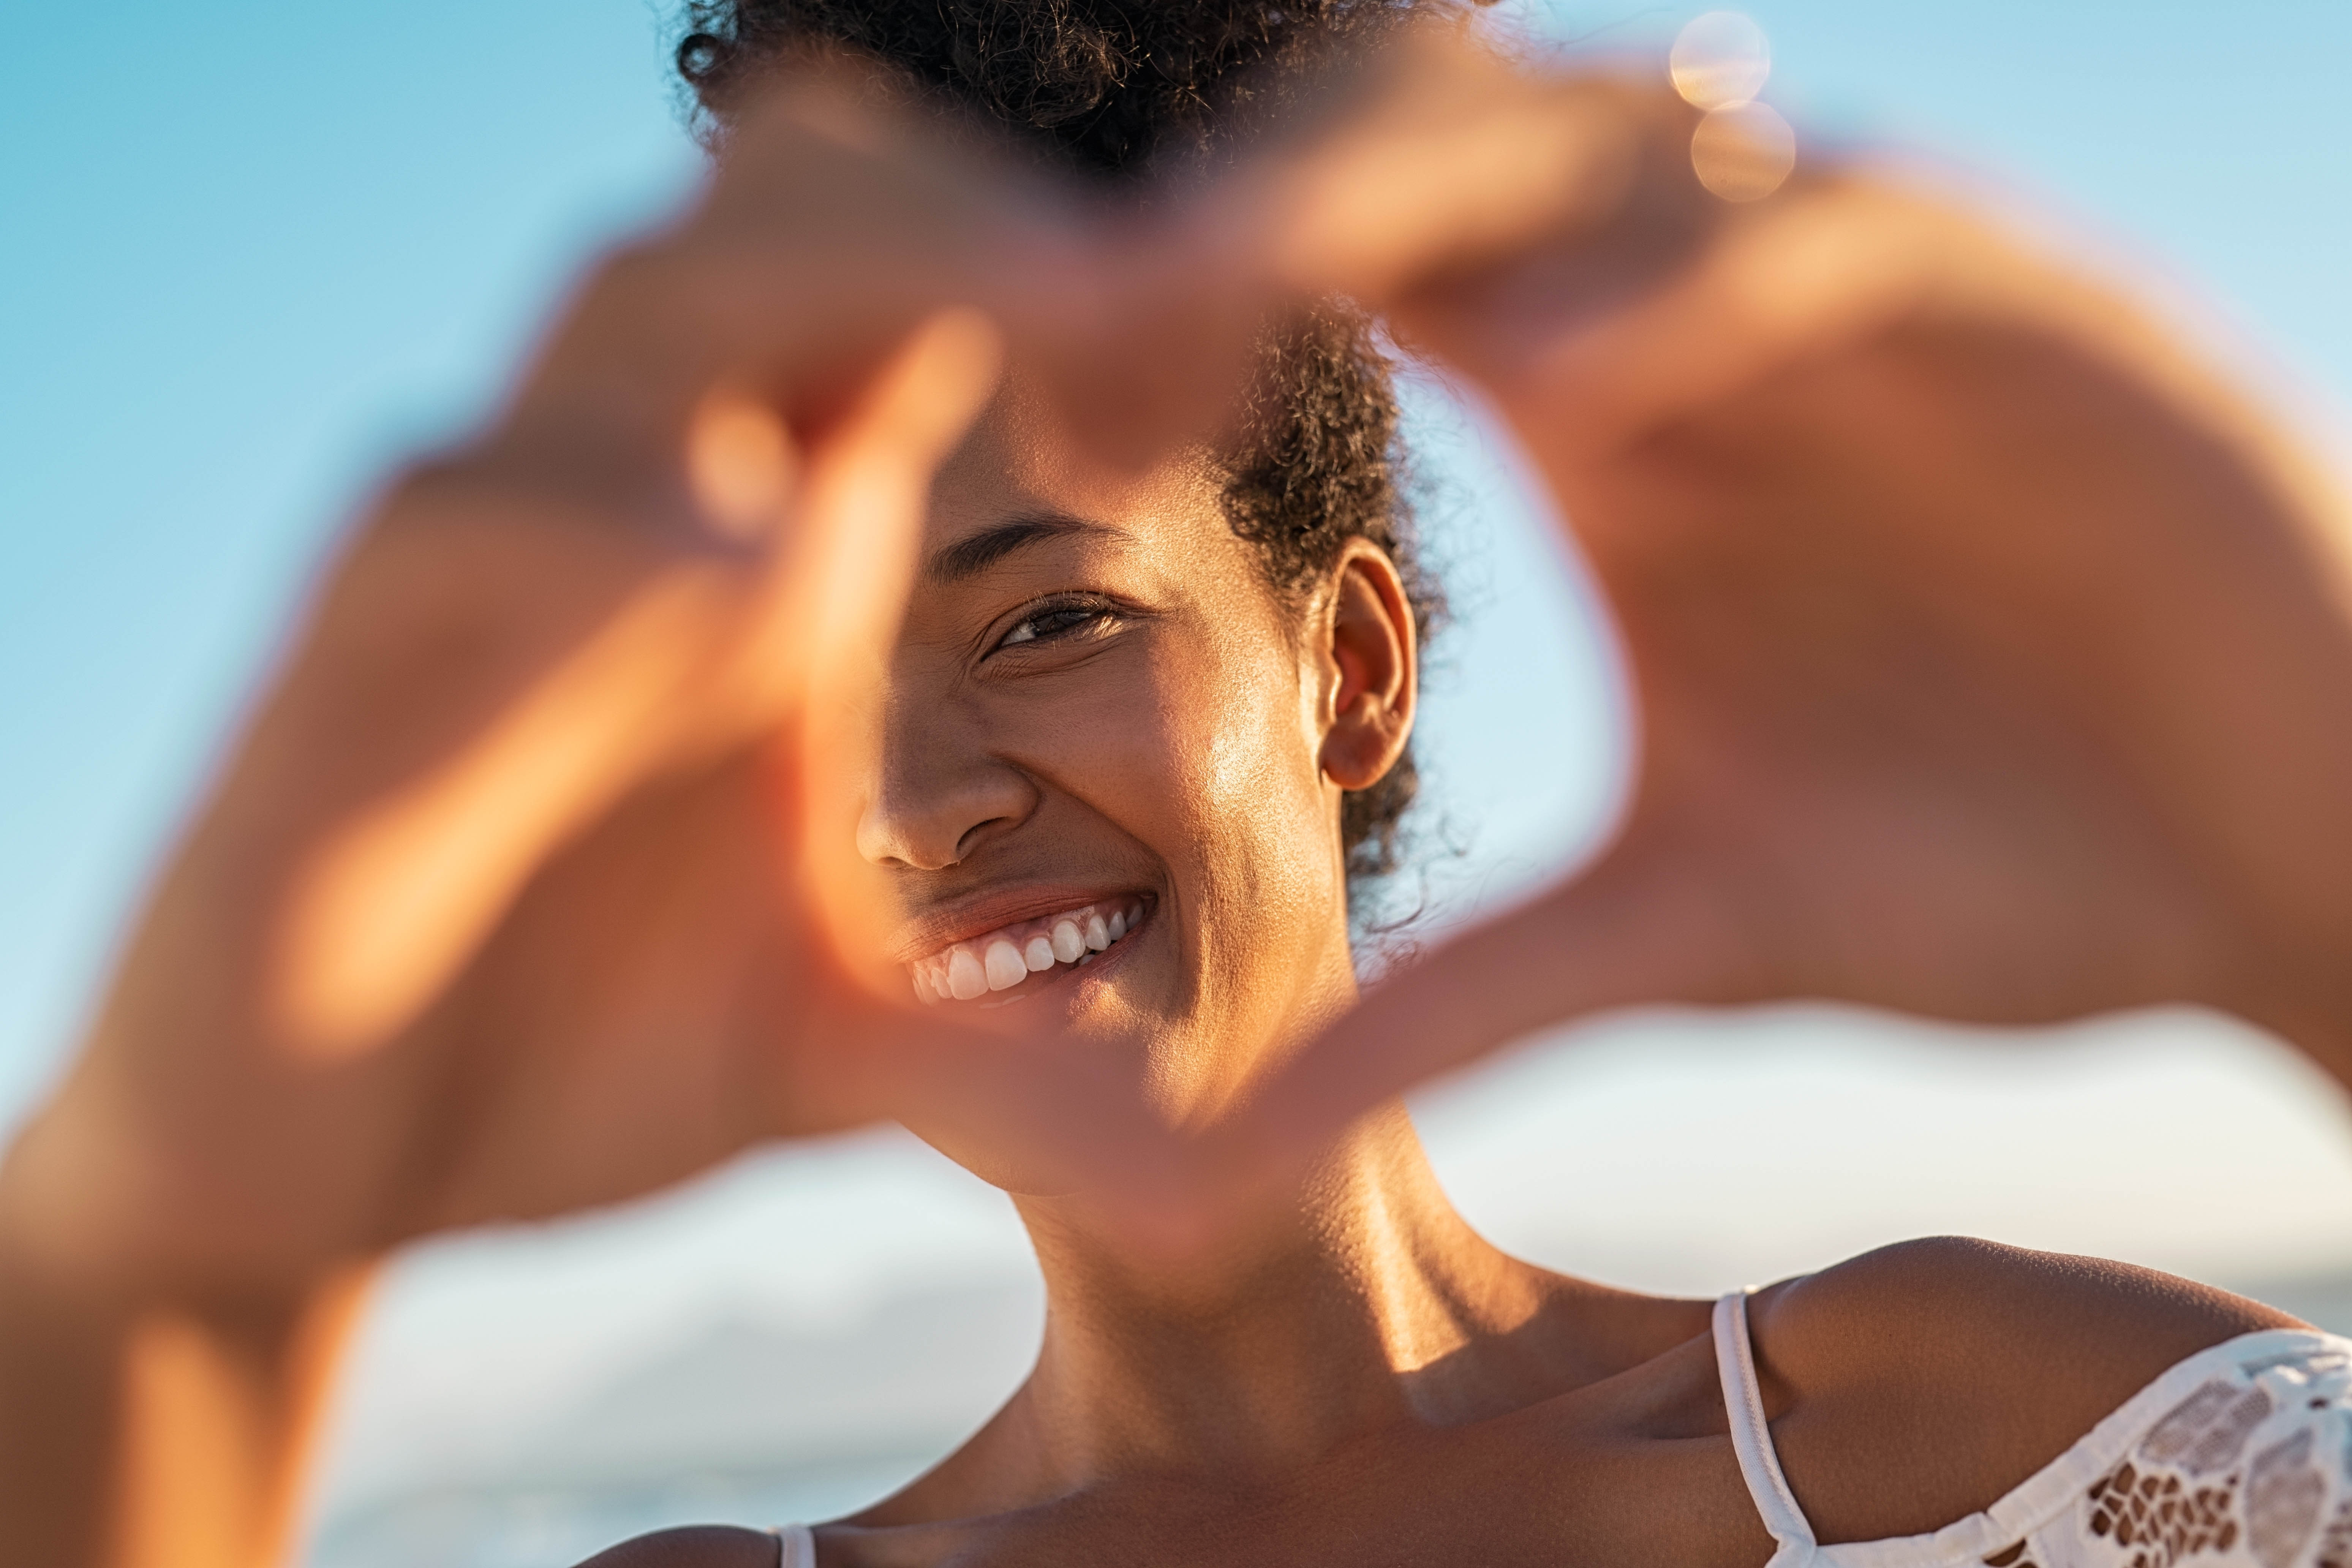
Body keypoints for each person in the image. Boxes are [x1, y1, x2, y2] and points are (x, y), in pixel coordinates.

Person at [6, 5, 2352, 1568]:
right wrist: (161, 1281)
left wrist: (2308, 847)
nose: (915, 808)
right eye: (812, 707)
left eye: (1049, 624)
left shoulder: (1979, 1445)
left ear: (1342, 670)